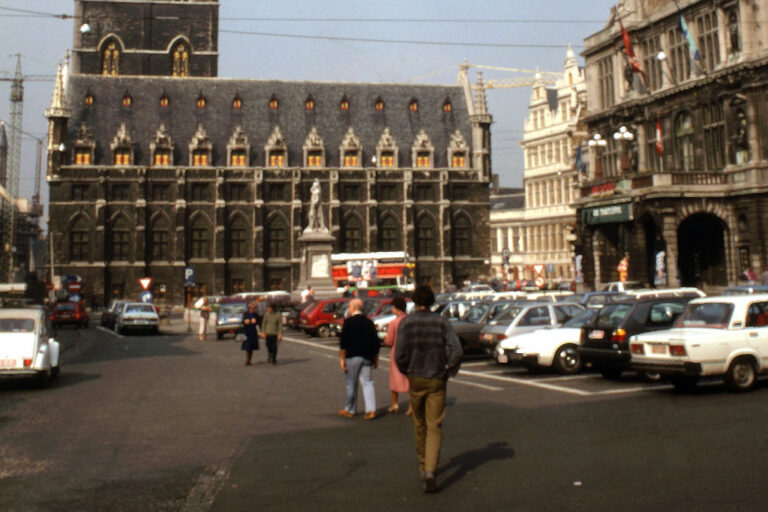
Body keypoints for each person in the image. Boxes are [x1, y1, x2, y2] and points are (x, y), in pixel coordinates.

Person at [395, 284, 463, 493]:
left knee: (419, 423)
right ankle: (431, 471)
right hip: (436, 377)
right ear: (432, 301)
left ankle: (423, 465)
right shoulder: (441, 322)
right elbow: (456, 350)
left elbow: (399, 355)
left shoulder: (407, 323)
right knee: (435, 426)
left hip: (416, 377)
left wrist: (407, 370)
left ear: (414, 301)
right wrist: (449, 369)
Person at [338, 298, 380, 420]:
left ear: (353, 308)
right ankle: (371, 410)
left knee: (352, 383)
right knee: (367, 382)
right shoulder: (369, 322)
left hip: (352, 356)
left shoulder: (348, 322)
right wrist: (375, 357)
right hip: (367, 356)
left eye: (349, 307)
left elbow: (343, 342)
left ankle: (350, 409)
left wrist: (342, 359)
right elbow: (375, 341)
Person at [383, 297, 411, 415]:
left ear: (396, 308)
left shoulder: (394, 322)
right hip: (410, 351)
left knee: (395, 378)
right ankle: (412, 405)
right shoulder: (410, 320)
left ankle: (394, 403)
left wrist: (384, 339)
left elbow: (389, 341)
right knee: (409, 378)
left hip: (396, 352)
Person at [241, 301, 260, 365]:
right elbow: (243, 321)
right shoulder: (246, 314)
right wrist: (245, 321)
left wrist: (256, 321)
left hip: (253, 331)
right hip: (247, 331)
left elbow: (259, 322)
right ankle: (247, 359)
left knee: (252, 347)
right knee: (247, 346)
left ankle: (250, 359)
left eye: (253, 306)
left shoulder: (256, 314)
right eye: (251, 306)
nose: (252, 308)